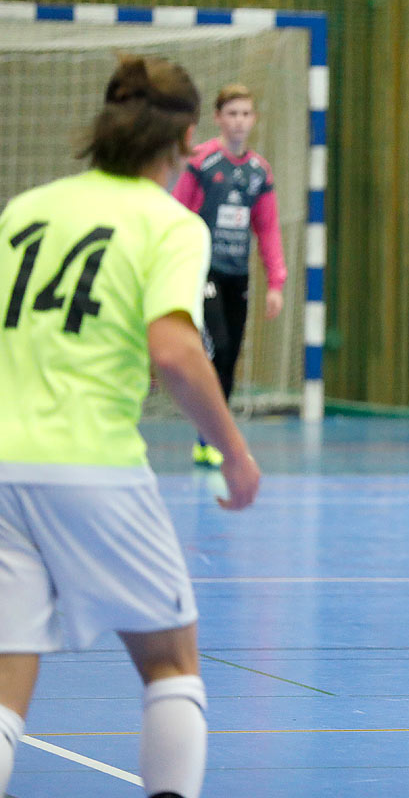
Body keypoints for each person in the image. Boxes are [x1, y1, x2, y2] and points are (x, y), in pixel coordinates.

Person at [0, 55, 261, 798]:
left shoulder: (26, 210)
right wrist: (234, 453)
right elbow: (175, 350)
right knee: (172, 662)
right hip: (92, 465)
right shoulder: (170, 223)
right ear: (183, 139)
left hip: (2, 463)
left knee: (6, 673)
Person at [170, 84, 285, 468]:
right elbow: (175, 212)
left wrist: (276, 282)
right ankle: (210, 437)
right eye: (231, 113)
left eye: (245, 114)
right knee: (215, 345)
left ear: (253, 119)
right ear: (218, 118)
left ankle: (211, 437)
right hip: (205, 271)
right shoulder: (202, 162)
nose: (239, 121)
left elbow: (267, 228)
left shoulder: (258, 172)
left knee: (231, 353)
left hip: (238, 275)